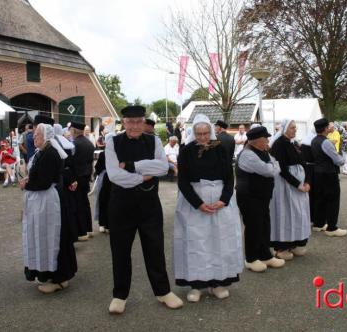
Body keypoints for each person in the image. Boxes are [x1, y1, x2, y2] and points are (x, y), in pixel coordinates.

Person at [105, 105, 183, 314]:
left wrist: (131, 166)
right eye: (130, 122)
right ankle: (119, 295)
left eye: (139, 121)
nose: (135, 126)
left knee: (155, 249)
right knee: (120, 252)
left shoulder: (154, 140)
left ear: (144, 122)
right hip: (121, 206)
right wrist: (144, 175)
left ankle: (163, 291)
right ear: (123, 123)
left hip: (149, 205)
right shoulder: (112, 142)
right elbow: (114, 175)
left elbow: (162, 167)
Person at [174, 114, 243, 303]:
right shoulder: (187, 151)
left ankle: (217, 283)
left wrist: (224, 199)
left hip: (219, 201)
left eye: (205, 133)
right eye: (199, 134)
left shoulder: (220, 149)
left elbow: (230, 176)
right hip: (195, 202)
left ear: (210, 132)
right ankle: (197, 285)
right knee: (196, 242)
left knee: (220, 241)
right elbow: (183, 181)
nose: (203, 137)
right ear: (193, 133)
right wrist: (197, 203)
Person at [19, 123, 77, 294]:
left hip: (46, 201)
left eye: (37, 134)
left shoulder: (50, 153)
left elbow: (45, 181)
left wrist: (26, 185)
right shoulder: (42, 152)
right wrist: (29, 179)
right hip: (39, 201)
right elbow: (38, 174)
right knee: (42, 236)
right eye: (35, 134)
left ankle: (59, 278)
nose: (34, 137)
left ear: (46, 136)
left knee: (51, 237)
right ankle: (50, 274)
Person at [236, 126, 285, 272]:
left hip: (261, 196)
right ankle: (251, 259)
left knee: (264, 225)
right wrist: (273, 166)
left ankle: (265, 255)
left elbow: (276, 165)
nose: (268, 141)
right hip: (249, 197)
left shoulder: (262, 151)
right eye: (266, 138)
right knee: (253, 227)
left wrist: (273, 165)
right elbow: (270, 170)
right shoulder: (248, 155)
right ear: (257, 141)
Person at [269, 119, 311, 259]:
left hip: (298, 186)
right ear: (285, 129)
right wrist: (298, 184)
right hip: (285, 186)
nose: (295, 130)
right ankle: (282, 247)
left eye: (295, 127)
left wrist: (307, 182)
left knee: (298, 214)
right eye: (292, 128)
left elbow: (302, 163)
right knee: (286, 215)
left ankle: (295, 243)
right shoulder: (279, 145)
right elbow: (282, 169)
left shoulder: (292, 143)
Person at [311, 118, 347, 237]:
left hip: (317, 172)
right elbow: (337, 160)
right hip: (328, 173)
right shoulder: (326, 142)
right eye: (328, 127)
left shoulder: (314, 140)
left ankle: (318, 223)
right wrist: (343, 160)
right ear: (326, 128)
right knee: (333, 199)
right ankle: (332, 227)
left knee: (320, 198)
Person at [70, 122, 95, 241]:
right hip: (86, 176)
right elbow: (90, 162)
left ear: (74, 131)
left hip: (77, 177)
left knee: (78, 203)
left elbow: (71, 162)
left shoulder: (74, 144)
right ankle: (89, 229)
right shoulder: (89, 143)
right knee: (85, 202)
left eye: (71, 130)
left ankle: (82, 231)